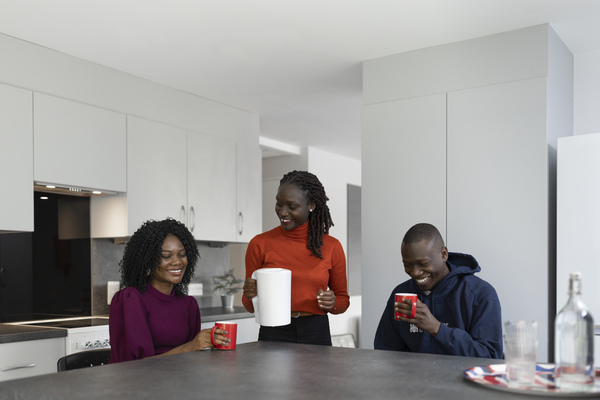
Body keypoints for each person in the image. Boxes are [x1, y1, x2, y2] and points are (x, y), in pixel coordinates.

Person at [242, 170, 349, 345]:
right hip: (273, 330)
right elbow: (248, 305)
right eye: (279, 204)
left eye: (292, 206)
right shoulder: (259, 244)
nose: (283, 212)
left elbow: (343, 302)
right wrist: (250, 294)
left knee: (317, 374)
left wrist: (332, 303)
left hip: (316, 330)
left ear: (311, 205)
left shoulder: (332, 247)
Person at [109, 218, 229, 363]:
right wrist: (191, 346)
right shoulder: (131, 299)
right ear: (147, 260)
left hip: (178, 381)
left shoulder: (189, 304)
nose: (177, 262)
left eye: (182, 254)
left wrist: (209, 344)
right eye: (166, 256)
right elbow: (136, 366)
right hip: (137, 383)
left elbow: (192, 357)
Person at [374, 223, 502, 358]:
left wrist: (437, 329)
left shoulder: (479, 294)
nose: (415, 273)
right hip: (412, 378)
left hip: (462, 379)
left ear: (444, 254)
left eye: (423, 264)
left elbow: (490, 357)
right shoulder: (401, 293)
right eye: (408, 265)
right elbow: (385, 353)